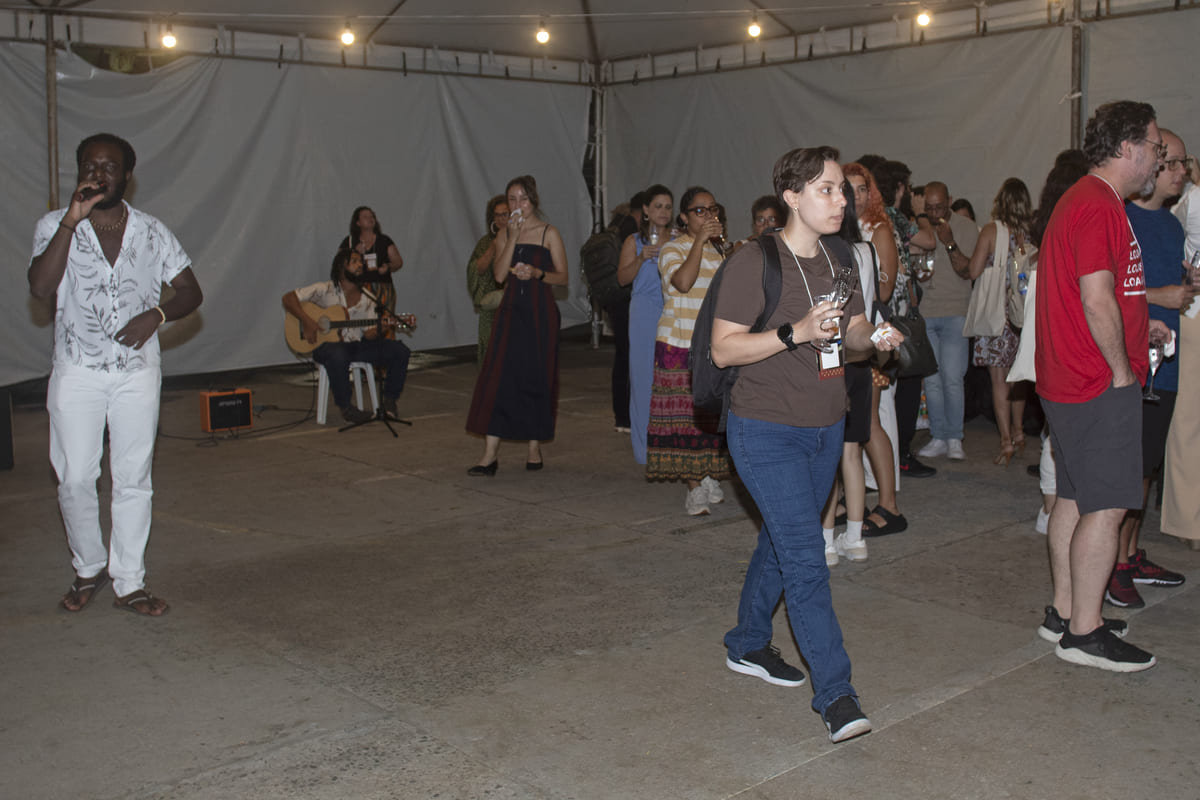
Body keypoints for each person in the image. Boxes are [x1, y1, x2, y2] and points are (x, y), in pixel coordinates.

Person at [712, 146, 903, 743]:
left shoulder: (840, 255)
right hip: (765, 429)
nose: (840, 200)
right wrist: (793, 332)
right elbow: (724, 349)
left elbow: (849, 331)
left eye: (842, 189)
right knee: (805, 558)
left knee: (781, 538)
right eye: (826, 189)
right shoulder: (754, 261)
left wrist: (872, 335)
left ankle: (747, 641)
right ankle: (837, 695)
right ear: (791, 197)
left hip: (825, 427)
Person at [29, 133, 203, 617]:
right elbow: (40, 287)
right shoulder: (55, 225)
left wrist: (157, 315)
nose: (98, 173)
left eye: (108, 166)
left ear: (127, 175)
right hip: (77, 370)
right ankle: (89, 567)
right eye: (89, 165)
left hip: (136, 373)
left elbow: (191, 291)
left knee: (132, 478)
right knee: (75, 477)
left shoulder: (151, 231)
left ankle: (129, 580)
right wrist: (71, 220)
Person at [1034, 100, 1170, 671]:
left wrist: (1141, 324)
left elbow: (1109, 293)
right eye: (1156, 148)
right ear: (1128, 147)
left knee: (1074, 498)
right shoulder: (1096, 204)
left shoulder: (1090, 200)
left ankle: (1067, 613)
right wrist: (1121, 372)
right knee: (1109, 505)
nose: (1159, 160)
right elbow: (1095, 298)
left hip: (1071, 377)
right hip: (1094, 380)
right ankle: (1084, 634)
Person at [1107, 128, 1193, 607]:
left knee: (1148, 466)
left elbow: (1161, 281)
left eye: (1183, 163)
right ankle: (1115, 562)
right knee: (1131, 469)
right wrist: (1162, 295)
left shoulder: (1172, 226)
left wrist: (1185, 283)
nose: (1180, 171)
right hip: (1134, 360)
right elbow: (1104, 292)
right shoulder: (1121, 218)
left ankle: (1131, 553)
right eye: (1172, 161)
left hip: (1167, 361)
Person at [466, 175, 568, 474]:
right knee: (498, 378)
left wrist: (538, 273)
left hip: (540, 312)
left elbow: (563, 277)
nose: (517, 204)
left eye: (523, 198)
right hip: (511, 312)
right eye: (512, 199)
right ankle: (489, 455)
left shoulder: (549, 232)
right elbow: (499, 276)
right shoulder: (503, 234)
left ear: (533, 200)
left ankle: (534, 448)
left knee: (537, 377)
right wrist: (511, 237)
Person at [645, 186, 733, 514]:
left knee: (707, 416)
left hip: (709, 347)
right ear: (684, 217)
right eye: (699, 210)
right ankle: (693, 486)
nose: (708, 215)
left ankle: (706, 473)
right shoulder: (672, 248)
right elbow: (682, 282)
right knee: (683, 419)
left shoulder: (718, 253)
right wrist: (698, 241)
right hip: (678, 344)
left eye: (713, 209)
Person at [844, 162, 908, 537]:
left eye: (861, 188)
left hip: (866, 339)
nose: (854, 196)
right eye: (846, 188)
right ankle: (848, 502)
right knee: (852, 429)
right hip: (848, 344)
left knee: (870, 424)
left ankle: (889, 505)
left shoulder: (875, 235)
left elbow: (881, 293)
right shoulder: (840, 236)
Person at [283, 249, 411, 422]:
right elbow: (288, 298)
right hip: (326, 347)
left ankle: (389, 402)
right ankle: (346, 408)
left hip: (357, 346)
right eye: (355, 261)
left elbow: (369, 334)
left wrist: (381, 328)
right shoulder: (324, 289)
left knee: (399, 350)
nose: (360, 265)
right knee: (338, 353)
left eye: (361, 262)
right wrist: (307, 322)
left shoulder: (368, 297)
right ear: (342, 266)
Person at [871, 160, 937, 478]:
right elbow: (929, 240)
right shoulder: (893, 218)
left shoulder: (873, 218)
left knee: (887, 391)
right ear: (899, 188)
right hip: (898, 317)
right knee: (903, 387)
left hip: (883, 315)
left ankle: (890, 457)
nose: (910, 192)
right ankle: (901, 455)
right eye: (908, 187)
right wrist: (921, 212)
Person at [964, 178, 1035, 466]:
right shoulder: (1031, 234)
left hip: (997, 313)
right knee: (1018, 377)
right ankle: (1019, 432)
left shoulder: (992, 231)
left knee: (998, 379)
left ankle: (1005, 440)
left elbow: (973, 270)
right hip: (1023, 315)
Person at [914, 181, 979, 461]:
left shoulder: (966, 228)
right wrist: (918, 274)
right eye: (929, 208)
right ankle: (938, 436)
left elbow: (968, 272)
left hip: (956, 311)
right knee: (931, 380)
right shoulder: (919, 227)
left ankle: (954, 437)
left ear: (949, 201)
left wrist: (949, 241)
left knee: (952, 378)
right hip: (926, 311)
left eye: (939, 207)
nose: (934, 213)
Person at [617, 184, 673, 464]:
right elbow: (622, 279)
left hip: (671, 311)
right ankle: (644, 449)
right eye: (658, 206)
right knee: (642, 379)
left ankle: (669, 443)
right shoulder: (634, 241)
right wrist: (641, 258)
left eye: (668, 207)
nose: (663, 212)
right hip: (642, 312)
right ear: (647, 210)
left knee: (671, 378)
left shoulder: (678, 240)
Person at [1163, 149, 1200, 547]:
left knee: (1190, 420)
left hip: (1192, 314)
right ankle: (1189, 521)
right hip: (1193, 314)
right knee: (1189, 420)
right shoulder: (1193, 200)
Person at [466, 195, 509, 364]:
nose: (500, 219)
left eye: (505, 214)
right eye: (497, 215)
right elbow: (476, 270)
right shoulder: (486, 242)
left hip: (518, 302)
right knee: (493, 354)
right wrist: (493, 246)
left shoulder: (523, 239)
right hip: (493, 307)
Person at [338, 206, 404, 312]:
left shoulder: (384, 240)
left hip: (382, 288)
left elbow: (398, 262)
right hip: (357, 288)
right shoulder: (349, 241)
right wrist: (354, 252)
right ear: (358, 223)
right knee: (359, 319)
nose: (370, 219)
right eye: (365, 217)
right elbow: (339, 264)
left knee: (384, 319)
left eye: (372, 216)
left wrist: (388, 267)